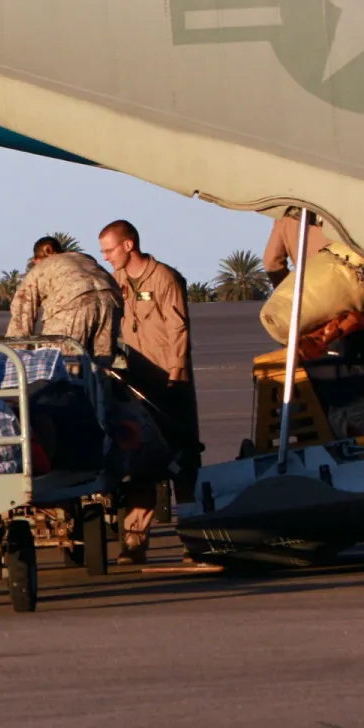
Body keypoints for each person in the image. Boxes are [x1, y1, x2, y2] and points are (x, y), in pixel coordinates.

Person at [98, 219, 199, 564]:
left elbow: (178, 328)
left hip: (170, 382)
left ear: (128, 245)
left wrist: (176, 376)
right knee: (140, 463)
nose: (107, 257)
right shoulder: (118, 282)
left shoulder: (165, 279)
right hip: (136, 382)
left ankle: (193, 541)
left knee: (183, 464)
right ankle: (134, 545)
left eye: (110, 250)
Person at [6, 236, 122, 363]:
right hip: (111, 299)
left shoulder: (42, 267)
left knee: (61, 366)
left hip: (74, 303)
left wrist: (13, 358)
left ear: (47, 251)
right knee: (102, 366)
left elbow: (22, 313)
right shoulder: (84, 260)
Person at [261, 208, 329, 290]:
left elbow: (271, 262)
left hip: (307, 291)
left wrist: (288, 289)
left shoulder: (285, 217)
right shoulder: (340, 208)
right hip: (340, 289)